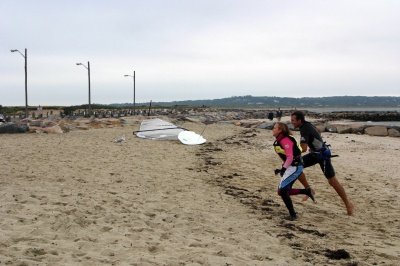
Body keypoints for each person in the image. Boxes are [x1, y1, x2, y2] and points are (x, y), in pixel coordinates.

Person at [290, 111, 354, 215]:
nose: (292, 122)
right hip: (317, 153)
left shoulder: (305, 128)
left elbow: (303, 148)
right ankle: (309, 190)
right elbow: (318, 133)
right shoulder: (307, 125)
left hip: (322, 155)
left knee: (332, 181)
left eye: (293, 120)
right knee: (295, 166)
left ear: (299, 120)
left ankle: (348, 204)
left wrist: (290, 150)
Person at [272, 122, 315, 220]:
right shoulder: (279, 140)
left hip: (295, 167)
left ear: (280, 130)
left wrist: (283, 169)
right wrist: (282, 168)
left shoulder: (285, 139)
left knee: (283, 191)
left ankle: (293, 215)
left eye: (274, 128)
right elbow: (287, 157)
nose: (272, 129)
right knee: (281, 191)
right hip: (291, 167)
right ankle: (306, 191)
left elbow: (290, 156)